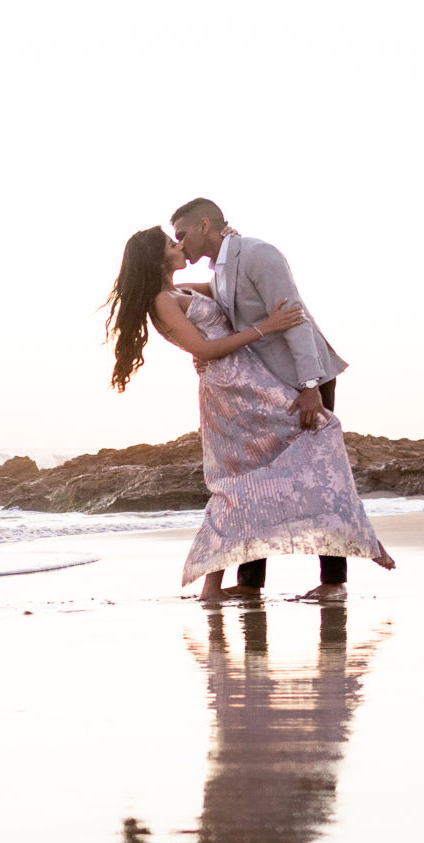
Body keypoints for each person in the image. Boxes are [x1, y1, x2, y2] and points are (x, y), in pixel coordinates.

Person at [101, 206, 394, 601]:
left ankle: (335, 570)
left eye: (182, 235)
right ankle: (241, 582)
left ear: (205, 226)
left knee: (309, 456)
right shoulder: (173, 295)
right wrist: (264, 328)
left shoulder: (232, 266)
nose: (181, 244)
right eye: (173, 242)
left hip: (278, 378)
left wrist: (310, 384)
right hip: (236, 390)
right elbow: (205, 343)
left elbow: (277, 310)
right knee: (248, 480)